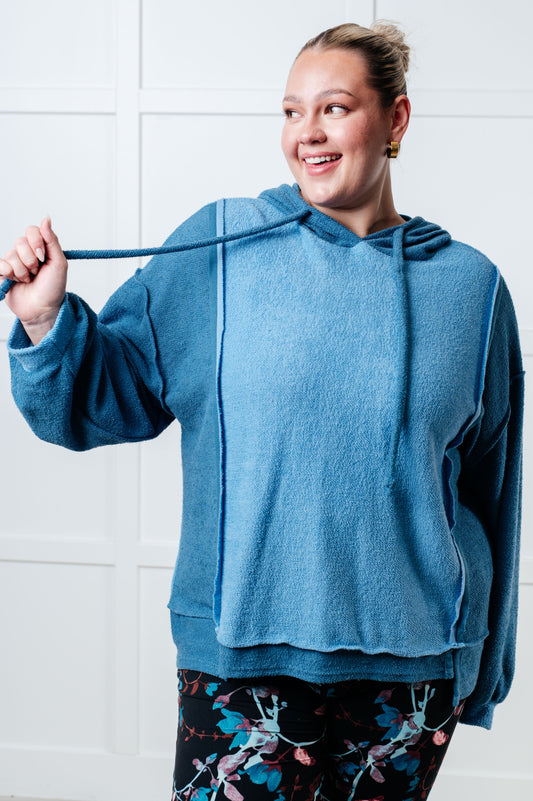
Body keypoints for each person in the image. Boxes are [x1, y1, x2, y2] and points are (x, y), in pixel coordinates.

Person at [0, 20, 524, 801]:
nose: (305, 133)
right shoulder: (218, 247)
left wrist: (483, 667)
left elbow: (493, 489)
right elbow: (103, 399)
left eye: (334, 108)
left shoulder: (471, 289)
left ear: (396, 120)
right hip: (240, 656)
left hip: (414, 671)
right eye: (289, 111)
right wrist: (46, 319)